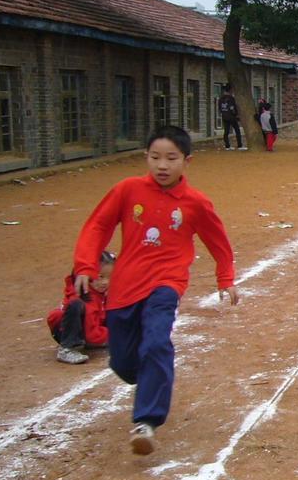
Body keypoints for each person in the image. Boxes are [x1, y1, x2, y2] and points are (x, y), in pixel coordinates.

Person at [72, 126, 237, 454]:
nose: (162, 166)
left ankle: (146, 421)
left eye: (171, 159)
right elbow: (98, 226)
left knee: (157, 341)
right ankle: (149, 378)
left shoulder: (196, 203)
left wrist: (226, 278)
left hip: (166, 283)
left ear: (186, 161)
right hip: (125, 286)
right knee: (122, 361)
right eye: (155, 158)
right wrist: (85, 266)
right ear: (145, 157)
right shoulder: (127, 190)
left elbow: (218, 242)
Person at [47, 251, 115, 364]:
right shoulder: (84, 297)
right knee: (75, 306)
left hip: (94, 327)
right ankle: (68, 348)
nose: (105, 282)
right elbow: (91, 335)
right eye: (100, 277)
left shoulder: (100, 290)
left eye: (110, 277)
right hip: (80, 331)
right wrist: (117, 335)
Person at [218, 84, 245, 150]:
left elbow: (219, 108)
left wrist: (223, 113)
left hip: (224, 116)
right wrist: (236, 115)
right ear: (230, 90)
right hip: (231, 117)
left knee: (226, 132)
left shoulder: (221, 99)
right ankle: (239, 145)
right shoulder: (231, 98)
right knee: (237, 130)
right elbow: (232, 108)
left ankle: (227, 146)